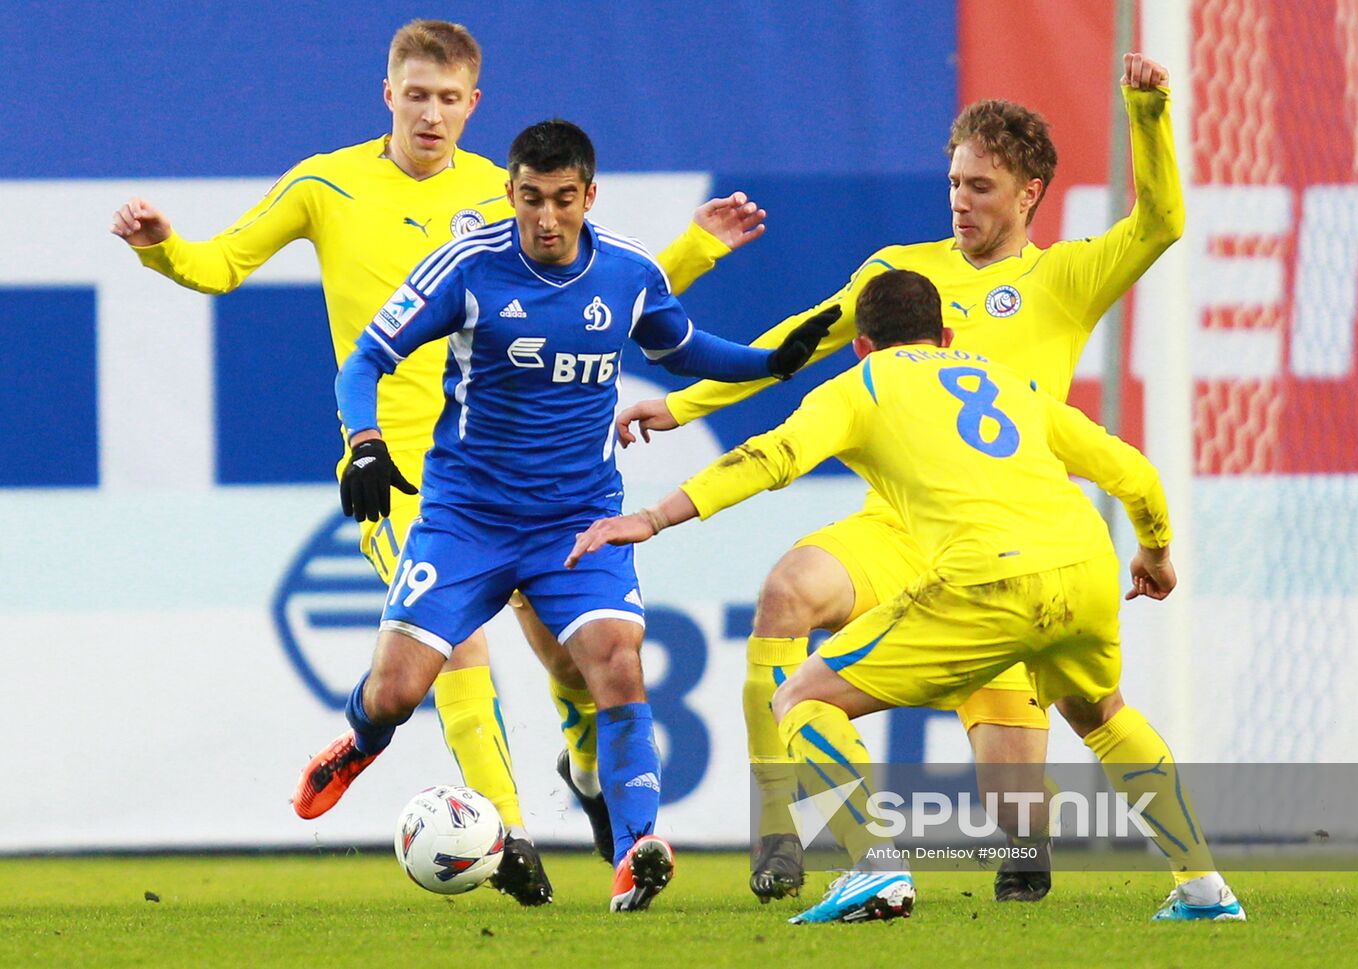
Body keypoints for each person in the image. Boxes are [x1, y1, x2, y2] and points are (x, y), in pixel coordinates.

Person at [109, 19, 767, 904]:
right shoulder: (325, 183)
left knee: (576, 662)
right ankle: (508, 834)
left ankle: (593, 785)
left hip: (529, 469)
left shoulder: (508, 197)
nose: (431, 114)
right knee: (454, 653)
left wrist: (692, 252)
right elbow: (223, 265)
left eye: (449, 99)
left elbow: (593, 295)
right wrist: (161, 244)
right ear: (388, 94)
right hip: (408, 474)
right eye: (416, 95)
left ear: (473, 106)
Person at [614, 52, 1183, 903]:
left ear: (1030, 194)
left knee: (1019, 827)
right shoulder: (901, 274)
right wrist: (686, 405)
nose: (961, 200)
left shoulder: (1065, 278)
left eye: (982, 186)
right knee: (788, 592)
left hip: (1004, 544)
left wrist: (1146, 114)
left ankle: (1078, 849)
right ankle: (782, 826)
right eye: (955, 181)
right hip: (896, 529)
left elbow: (1161, 223)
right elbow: (798, 341)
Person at [569, 269, 1246, 924]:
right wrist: (1154, 550)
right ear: (947, 337)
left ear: (862, 344)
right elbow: (1133, 471)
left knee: (801, 697)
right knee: (1102, 713)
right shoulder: (1008, 383)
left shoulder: (860, 384)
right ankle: (1205, 885)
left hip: (989, 581)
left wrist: (654, 516)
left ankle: (875, 863)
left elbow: (768, 458)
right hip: (1088, 569)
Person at [305, 118, 836, 913]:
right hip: (466, 518)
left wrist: (772, 360)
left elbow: (682, 346)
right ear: (510, 194)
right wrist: (368, 443)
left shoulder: (625, 271)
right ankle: (359, 741)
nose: (545, 219)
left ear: (589, 195)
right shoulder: (468, 267)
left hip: (575, 520)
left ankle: (635, 851)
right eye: (529, 199)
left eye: (562, 200)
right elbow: (366, 359)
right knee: (395, 691)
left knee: (616, 659)